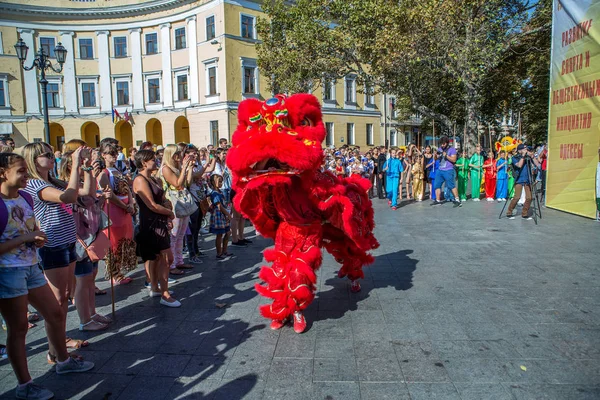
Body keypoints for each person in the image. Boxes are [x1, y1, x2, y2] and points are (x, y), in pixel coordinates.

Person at [0, 152, 94, 400]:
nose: (25, 176)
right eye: (20, 171)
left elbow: (30, 228)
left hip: (31, 266)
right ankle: (24, 384)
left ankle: (62, 361)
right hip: (7, 273)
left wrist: (37, 238)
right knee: (18, 328)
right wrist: (26, 238)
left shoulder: (25, 198)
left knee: (54, 312)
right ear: (2, 174)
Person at [22, 142, 93, 352]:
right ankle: (55, 348)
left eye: (52, 154)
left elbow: (86, 191)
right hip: (53, 244)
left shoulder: (52, 181)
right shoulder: (34, 185)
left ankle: (60, 340)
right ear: (34, 160)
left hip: (67, 241)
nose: (52, 157)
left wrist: (86, 168)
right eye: (46, 154)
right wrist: (76, 162)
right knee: (57, 299)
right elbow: (69, 196)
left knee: (65, 295)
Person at [59, 140, 111, 332]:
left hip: (91, 236)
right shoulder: (68, 187)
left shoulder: (81, 183)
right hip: (80, 240)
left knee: (90, 279)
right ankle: (85, 320)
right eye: (80, 167)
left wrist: (102, 198)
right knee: (82, 280)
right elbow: (87, 196)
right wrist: (89, 170)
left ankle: (92, 312)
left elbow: (95, 202)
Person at [133, 150, 181, 307]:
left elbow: (162, 199)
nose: (156, 160)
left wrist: (166, 211)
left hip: (159, 221)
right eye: (153, 159)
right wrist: (169, 213)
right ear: (144, 162)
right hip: (151, 224)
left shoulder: (152, 178)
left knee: (157, 258)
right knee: (167, 258)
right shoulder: (140, 180)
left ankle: (156, 287)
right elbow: (151, 205)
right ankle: (165, 294)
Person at [97, 143, 137, 285]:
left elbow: (128, 189)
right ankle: (114, 273)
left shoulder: (118, 170)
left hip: (125, 209)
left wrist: (131, 204)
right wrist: (125, 206)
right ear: (103, 155)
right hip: (114, 209)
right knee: (114, 242)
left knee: (124, 240)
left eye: (115, 153)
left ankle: (119, 270)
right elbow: (110, 194)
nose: (113, 156)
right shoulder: (103, 173)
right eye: (110, 153)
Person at [159, 144, 194, 275]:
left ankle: (179, 261)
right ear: (171, 155)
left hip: (182, 201)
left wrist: (188, 168)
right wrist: (184, 167)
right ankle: (172, 264)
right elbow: (177, 184)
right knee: (174, 235)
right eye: (177, 154)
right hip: (173, 203)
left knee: (181, 234)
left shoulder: (176, 167)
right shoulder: (166, 169)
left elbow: (187, 183)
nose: (179, 156)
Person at [506, 144, 541, 220]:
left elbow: (538, 165)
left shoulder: (528, 158)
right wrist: (523, 156)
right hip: (519, 179)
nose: (525, 150)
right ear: (519, 150)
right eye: (523, 149)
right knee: (517, 197)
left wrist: (532, 157)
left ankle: (524, 213)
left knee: (529, 197)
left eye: (526, 149)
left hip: (527, 179)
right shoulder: (515, 157)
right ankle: (509, 212)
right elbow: (519, 165)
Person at [432, 136, 462, 207]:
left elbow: (454, 160)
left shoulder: (452, 150)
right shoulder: (440, 149)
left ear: (447, 143)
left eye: (444, 144)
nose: (442, 145)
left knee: (451, 185)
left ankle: (457, 200)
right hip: (440, 169)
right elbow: (436, 159)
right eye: (441, 144)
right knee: (437, 185)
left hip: (448, 170)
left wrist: (446, 156)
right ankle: (438, 200)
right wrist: (435, 155)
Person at [209, 174, 233, 259]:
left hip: (223, 214)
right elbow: (219, 206)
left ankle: (224, 250)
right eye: (219, 181)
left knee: (228, 232)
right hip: (218, 215)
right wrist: (228, 214)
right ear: (213, 182)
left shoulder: (220, 192)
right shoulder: (214, 193)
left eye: (221, 181)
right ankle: (219, 252)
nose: (221, 183)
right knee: (219, 234)